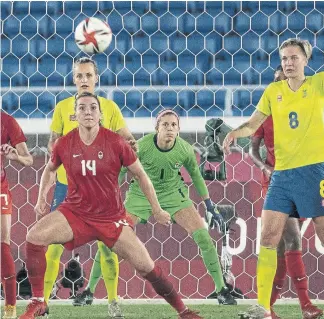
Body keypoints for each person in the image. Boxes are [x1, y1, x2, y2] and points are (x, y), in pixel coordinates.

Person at [224, 24, 324, 319]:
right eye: (284, 58)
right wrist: (236, 132)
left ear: (305, 60)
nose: (288, 63)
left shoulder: (318, 84)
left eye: (293, 57)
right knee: (268, 238)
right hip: (282, 176)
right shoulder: (273, 91)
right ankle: (263, 306)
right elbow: (253, 122)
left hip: (313, 174)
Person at [19, 93, 202, 319]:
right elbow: (49, 169)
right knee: (34, 237)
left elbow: (141, 176)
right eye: (83, 108)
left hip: (111, 219)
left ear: (100, 114)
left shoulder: (116, 143)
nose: (88, 112)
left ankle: (183, 311)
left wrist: (156, 208)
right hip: (75, 213)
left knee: (146, 266)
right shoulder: (64, 143)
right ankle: (38, 302)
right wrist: (40, 198)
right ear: (75, 115)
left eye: (93, 108)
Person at [74, 109, 236, 306]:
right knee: (112, 238)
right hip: (140, 195)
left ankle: (221, 290)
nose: (169, 128)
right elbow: (122, 170)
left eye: (173, 125)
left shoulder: (184, 149)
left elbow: (195, 176)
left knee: (203, 236)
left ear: (178, 129)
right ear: (156, 127)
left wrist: (209, 205)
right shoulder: (142, 147)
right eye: (165, 124)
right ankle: (89, 291)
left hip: (173, 194)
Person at [250, 67, 324, 319]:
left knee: (282, 248)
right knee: (292, 237)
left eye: (282, 78)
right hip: (276, 182)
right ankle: (305, 305)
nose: (280, 82)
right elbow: (252, 149)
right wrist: (265, 167)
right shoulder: (266, 114)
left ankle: (267, 307)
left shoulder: (307, 111)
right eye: (275, 80)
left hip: (305, 180)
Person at [44, 57, 136, 317]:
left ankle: (113, 302)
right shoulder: (63, 108)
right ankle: (43, 301)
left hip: (101, 192)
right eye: (79, 76)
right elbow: (53, 144)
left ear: (97, 78)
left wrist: (130, 146)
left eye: (88, 75)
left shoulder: (109, 107)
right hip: (66, 187)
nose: (84, 80)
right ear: (73, 79)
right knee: (54, 246)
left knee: (107, 248)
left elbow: (127, 138)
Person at [1, 112, 33, 319]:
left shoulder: (7, 122)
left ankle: (10, 310)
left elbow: (29, 160)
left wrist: (15, 156)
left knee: (3, 244)